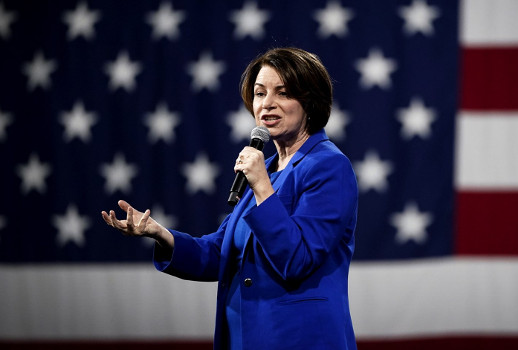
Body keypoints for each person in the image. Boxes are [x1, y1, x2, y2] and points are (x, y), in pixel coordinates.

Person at [101, 47, 359, 350]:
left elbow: (297, 260)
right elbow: (220, 254)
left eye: (283, 93)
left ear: (311, 101)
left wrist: (262, 186)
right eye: (260, 94)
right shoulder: (269, 171)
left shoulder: (327, 166)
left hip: (299, 339)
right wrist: (162, 235)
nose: (267, 105)